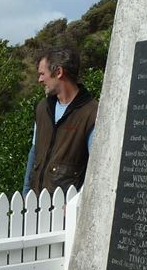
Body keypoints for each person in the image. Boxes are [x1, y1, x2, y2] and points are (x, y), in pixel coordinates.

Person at [22, 46, 99, 196]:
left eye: (42, 74)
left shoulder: (92, 113)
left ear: (58, 72)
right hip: (36, 207)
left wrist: (76, 203)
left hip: (65, 212)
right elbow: (34, 152)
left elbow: (97, 167)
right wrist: (26, 193)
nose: (40, 80)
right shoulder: (42, 108)